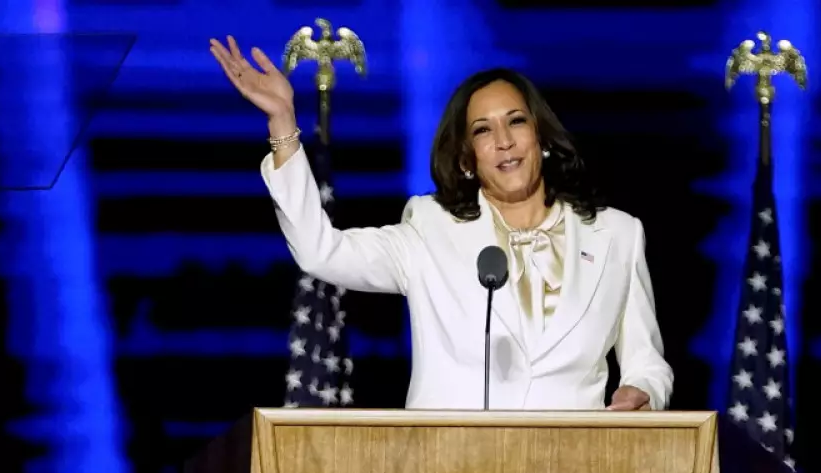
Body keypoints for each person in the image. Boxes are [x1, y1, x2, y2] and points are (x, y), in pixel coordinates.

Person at [210, 35, 674, 411]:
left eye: (516, 122)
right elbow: (321, 251)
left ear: (542, 138)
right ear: (467, 160)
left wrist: (644, 392)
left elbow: (647, 362)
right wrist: (283, 124)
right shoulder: (430, 230)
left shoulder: (617, 235)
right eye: (483, 130)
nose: (504, 141)